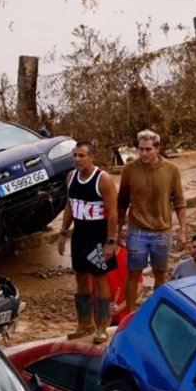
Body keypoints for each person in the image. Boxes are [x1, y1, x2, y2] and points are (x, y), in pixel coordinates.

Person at [116, 129, 187, 312]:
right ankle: (129, 315)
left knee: (160, 274)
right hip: (137, 230)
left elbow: (179, 202)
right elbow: (122, 202)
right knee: (133, 272)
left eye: (148, 149)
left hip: (162, 230)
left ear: (157, 149)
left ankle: (157, 312)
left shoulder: (171, 170)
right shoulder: (130, 170)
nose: (144, 153)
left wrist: (183, 231)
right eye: (141, 149)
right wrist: (120, 229)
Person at [57, 140, 119, 344]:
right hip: (80, 234)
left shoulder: (103, 179)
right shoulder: (71, 177)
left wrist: (111, 241)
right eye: (75, 155)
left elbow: (113, 213)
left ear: (92, 157)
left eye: (82, 156)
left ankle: (102, 326)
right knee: (80, 276)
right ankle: (85, 323)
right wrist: (63, 231)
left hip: (97, 236)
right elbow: (70, 205)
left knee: (99, 278)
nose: (77, 159)